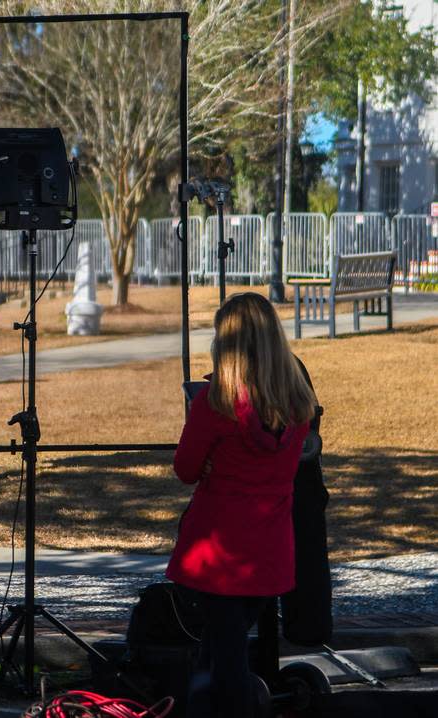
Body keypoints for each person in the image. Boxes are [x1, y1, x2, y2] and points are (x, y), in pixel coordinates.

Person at [166, 292, 317, 718]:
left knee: (224, 661)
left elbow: (185, 468)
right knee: (219, 654)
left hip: (218, 553)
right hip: (269, 550)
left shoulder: (215, 403)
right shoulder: (298, 403)